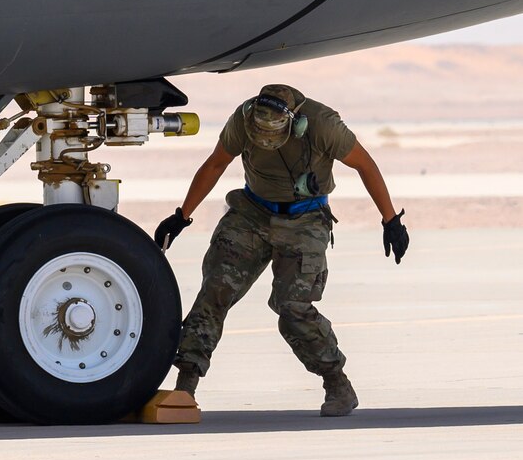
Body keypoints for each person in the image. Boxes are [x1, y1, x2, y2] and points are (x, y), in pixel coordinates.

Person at [154, 84, 409, 417]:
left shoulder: (322, 125)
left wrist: (390, 221)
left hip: (306, 218)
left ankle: (336, 382)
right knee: (215, 290)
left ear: (295, 124)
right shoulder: (242, 119)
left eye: (271, 135)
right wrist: (182, 215)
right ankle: (185, 386)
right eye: (258, 135)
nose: (263, 141)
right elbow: (216, 163)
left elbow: (365, 165)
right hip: (251, 213)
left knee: (292, 307)